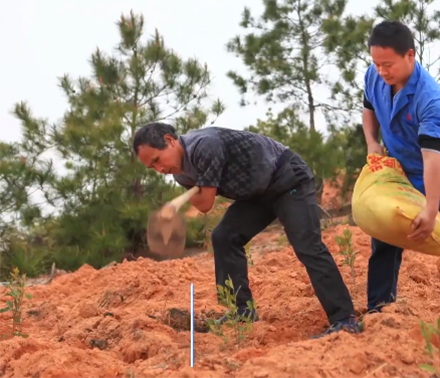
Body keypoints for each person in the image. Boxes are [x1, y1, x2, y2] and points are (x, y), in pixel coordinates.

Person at [132, 122, 360, 338]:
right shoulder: (180, 174)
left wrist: (191, 193)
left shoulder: (204, 145)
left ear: (170, 140)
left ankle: (344, 319)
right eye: (152, 167)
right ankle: (242, 312)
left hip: (288, 178)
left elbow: (207, 200)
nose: (160, 169)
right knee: (224, 237)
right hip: (257, 195)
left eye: (157, 160)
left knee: (307, 245)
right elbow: (202, 207)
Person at [362, 20, 440, 325]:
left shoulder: (430, 98)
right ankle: (380, 310)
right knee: (384, 240)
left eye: (387, 64)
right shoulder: (374, 75)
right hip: (399, 171)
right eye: (376, 63)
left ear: (410, 55)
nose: (381, 71)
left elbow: (433, 160)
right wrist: (372, 142)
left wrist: (431, 209)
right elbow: (368, 107)